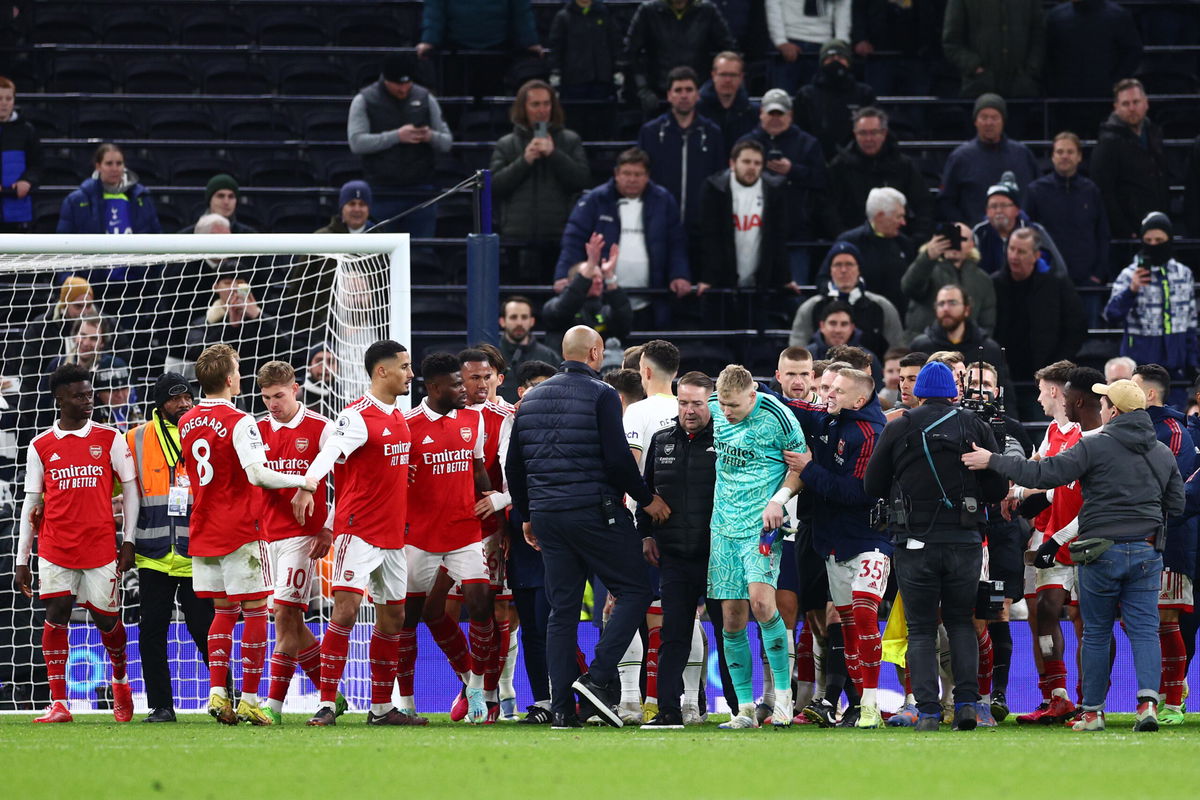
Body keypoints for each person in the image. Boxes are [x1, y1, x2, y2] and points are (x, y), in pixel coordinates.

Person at [964, 379, 1185, 732]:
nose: (1099, 408)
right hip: (1146, 551)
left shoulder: (1094, 445)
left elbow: (1043, 473)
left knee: (1095, 631)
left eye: (1104, 403)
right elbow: (1176, 503)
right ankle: (1147, 705)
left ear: (1114, 410)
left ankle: (1093, 712)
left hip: (1100, 551)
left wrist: (992, 460)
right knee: (1144, 631)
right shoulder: (1160, 451)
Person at [505, 325, 670, 729]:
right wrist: (648, 499)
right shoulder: (602, 395)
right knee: (635, 587)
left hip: (547, 517)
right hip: (594, 512)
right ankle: (596, 679)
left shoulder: (530, 399)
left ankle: (561, 707)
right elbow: (617, 460)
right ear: (596, 353)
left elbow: (514, 466)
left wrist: (528, 514)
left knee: (561, 610)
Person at [865, 361, 1008, 731]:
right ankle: (965, 705)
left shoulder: (898, 426)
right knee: (962, 623)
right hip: (964, 540)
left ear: (920, 391)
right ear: (953, 391)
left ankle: (927, 710)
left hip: (914, 543)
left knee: (922, 628)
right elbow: (996, 489)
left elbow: (872, 485)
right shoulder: (976, 426)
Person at [178, 344, 316, 726]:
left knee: (223, 612)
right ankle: (251, 699)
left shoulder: (186, 422)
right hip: (240, 529)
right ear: (228, 379)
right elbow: (258, 474)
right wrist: (303, 479)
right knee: (255, 610)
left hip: (203, 529)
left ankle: (217, 693)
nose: (240, 377)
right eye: (237, 371)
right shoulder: (241, 421)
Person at [293, 340, 416, 727]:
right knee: (345, 612)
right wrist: (309, 484)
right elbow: (329, 453)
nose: (411, 374)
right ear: (382, 371)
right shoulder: (356, 417)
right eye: (404, 367)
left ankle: (381, 708)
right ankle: (326, 703)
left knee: (393, 617)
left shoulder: (399, 418)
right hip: (358, 531)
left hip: (393, 537)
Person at [14, 363, 139, 723]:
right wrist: (22, 559)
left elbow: (130, 489)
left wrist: (127, 539)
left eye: (89, 394)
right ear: (59, 399)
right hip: (54, 546)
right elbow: (31, 503)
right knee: (56, 615)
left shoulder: (110, 438)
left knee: (106, 619)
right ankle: (59, 703)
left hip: (100, 546)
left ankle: (119, 679)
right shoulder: (41, 445)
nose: (88, 401)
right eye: (80, 396)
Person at [782, 367, 889, 727]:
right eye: (828, 389)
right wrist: (755, 393)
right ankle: (859, 705)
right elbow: (799, 408)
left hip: (870, 541)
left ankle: (871, 704)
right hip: (832, 542)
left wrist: (809, 469)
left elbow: (859, 493)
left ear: (858, 400)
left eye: (837, 392)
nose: (828, 395)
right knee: (846, 626)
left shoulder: (870, 434)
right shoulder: (830, 418)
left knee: (863, 616)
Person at [706, 364, 807, 729]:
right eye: (724, 406)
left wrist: (778, 500)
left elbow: (801, 465)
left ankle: (782, 699)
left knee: (763, 604)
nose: (727, 413)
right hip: (723, 527)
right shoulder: (713, 405)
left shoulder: (778, 415)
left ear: (752, 395)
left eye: (734, 406)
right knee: (732, 617)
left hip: (762, 527)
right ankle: (745, 709)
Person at [398, 354, 496, 724]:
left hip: (465, 532)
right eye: (457, 384)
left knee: (481, 604)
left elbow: (477, 469)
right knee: (410, 619)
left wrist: (493, 519)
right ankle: (405, 702)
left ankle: (478, 689)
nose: (465, 390)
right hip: (418, 538)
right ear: (435, 388)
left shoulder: (474, 419)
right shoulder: (407, 425)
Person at [253, 362, 345, 726]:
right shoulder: (256, 430)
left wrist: (327, 528)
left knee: (284, 616)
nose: (273, 404)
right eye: (266, 398)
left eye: (279, 395)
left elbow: (348, 482)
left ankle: (272, 707)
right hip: (264, 536)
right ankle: (330, 693)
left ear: (295, 389)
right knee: (289, 620)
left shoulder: (321, 428)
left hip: (304, 537)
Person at [125, 373, 215, 723]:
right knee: (152, 632)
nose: (184, 403)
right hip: (153, 551)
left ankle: (227, 698)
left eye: (187, 397)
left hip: (198, 551)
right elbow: (114, 484)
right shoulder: (135, 439)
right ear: (160, 403)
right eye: (176, 398)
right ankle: (161, 705)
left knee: (205, 629)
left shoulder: (205, 430)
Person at [639, 371, 719, 728]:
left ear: (710, 402)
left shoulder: (726, 440)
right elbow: (645, 491)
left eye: (697, 403)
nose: (689, 410)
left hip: (718, 554)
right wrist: (646, 535)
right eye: (683, 402)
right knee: (673, 634)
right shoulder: (661, 440)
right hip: (673, 554)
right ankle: (668, 710)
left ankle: (739, 708)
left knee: (729, 631)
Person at [1131, 364, 1199, 726]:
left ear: (1150, 394)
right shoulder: (1128, 427)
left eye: (1133, 385)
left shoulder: (1173, 431)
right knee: (1139, 621)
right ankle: (1163, 692)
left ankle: (1171, 699)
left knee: (1167, 619)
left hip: (1169, 542)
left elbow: (1174, 489)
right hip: (1135, 539)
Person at [554, 148, 692, 325]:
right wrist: (563, 274)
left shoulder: (663, 201)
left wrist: (680, 274)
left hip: (652, 298)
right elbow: (574, 239)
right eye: (627, 173)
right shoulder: (595, 200)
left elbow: (676, 243)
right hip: (603, 300)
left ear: (647, 176)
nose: (632, 179)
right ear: (616, 174)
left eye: (638, 174)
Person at [491, 79, 591, 284]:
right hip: (517, 236)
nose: (542, 110)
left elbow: (581, 180)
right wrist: (524, 161)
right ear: (523, 107)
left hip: (558, 235)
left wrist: (554, 154)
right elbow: (495, 186)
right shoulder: (506, 144)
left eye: (546, 104)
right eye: (535, 104)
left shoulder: (570, 140)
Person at [347, 53, 452, 237]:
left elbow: (446, 142)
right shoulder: (365, 99)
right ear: (386, 80)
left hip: (421, 190)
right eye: (398, 84)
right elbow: (357, 142)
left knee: (421, 253)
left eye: (407, 83)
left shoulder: (425, 98)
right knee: (380, 257)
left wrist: (429, 135)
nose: (403, 89)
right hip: (382, 190)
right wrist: (397, 136)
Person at [738, 89, 829, 285]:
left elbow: (822, 180)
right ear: (761, 113)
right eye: (771, 113)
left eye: (781, 114)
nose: (775, 119)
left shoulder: (808, 144)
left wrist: (793, 171)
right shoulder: (745, 144)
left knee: (795, 294)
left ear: (791, 115)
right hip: (753, 236)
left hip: (796, 236)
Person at [1103, 212, 1198, 393]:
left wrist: (1192, 362)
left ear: (1169, 239)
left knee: (1173, 419)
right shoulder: (1129, 274)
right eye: (1148, 240)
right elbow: (1111, 315)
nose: (1153, 245)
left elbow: (1191, 321)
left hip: (1175, 367)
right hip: (1140, 368)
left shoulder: (1184, 274)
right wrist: (1131, 290)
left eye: (1159, 240)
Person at [637, 66, 725, 236]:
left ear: (697, 95)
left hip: (702, 228)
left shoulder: (712, 132)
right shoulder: (650, 132)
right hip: (660, 224)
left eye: (689, 90)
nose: (684, 95)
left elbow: (719, 178)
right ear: (669, 95)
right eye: (678, 90)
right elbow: (642, 175)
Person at [991, 228, 1085, 387]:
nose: (1014, 256)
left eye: (1021, 251)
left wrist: (1055, 367)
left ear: (1036, 255)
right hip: (1002, 375)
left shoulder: (1057, 284)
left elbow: (1077, 327)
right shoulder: (994, 284)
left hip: (1045, 376)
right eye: (1011, 249)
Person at [697, 139, 791, 294]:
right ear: (732, 163)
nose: (752, 168)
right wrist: (708, 278)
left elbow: (778, 237)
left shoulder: (774, 190)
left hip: (760, 280)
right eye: (746, 162)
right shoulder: (714, 189)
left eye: (757, 163)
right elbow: (709, 238)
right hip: (722, 280)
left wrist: (785, 278)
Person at [1024, 132, 1111, 294]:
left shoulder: (1091, 191)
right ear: (1052, 157)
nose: (1065, 156)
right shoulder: (1036, 191)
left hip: (1087, 283)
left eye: (1070, 152)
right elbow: (1028, 235)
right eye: (1060, 152)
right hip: (1047, 282)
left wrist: (1097, 275)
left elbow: (1102, 235)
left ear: (1079, 157)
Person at [828, 106, 932, 240]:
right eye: (863, 133)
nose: (869, 139)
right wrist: (844, 237)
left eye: (874, 132)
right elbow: (828, 208)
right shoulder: (839, 166)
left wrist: (917, 239)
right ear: (855, 133)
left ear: (884, 133)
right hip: (854, 243)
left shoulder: (902, 165)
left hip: (897, 241)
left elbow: (923, 203)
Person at [621, 0, 736, 117]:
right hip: (658, 96)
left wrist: (709, 88)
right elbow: (631, 54)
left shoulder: (707, 10)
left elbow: (728, 51)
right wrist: (643, 89)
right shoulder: (648, 11)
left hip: (699, 94)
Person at [790, 241, 904, 358]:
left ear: (859, 269)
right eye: (838, 265)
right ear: (830, 270)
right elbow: (797, 353)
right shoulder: (811, 307)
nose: (843, 270)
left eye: (849, 264)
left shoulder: (881, 306)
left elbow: (896, 351)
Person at [939, 94, 1038, 226]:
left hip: (1019, 236)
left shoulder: (1022, 154)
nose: (989, 123)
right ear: (975, 121)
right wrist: (965, 228)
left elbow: (1037, 196)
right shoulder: (960, 157)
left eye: (994, 117)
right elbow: (946, 201)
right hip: (975, 237)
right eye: (984, 117)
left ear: (1003, 120)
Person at [1092, 78, 1171, 241]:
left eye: (1136, 102)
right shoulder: (1108, 142)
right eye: (1126, 104)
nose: (1132, 108)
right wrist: (1124, 230)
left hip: (1155, 225)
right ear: (1116, 107)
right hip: (1129, 232)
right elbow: (1104, 191)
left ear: (1146, 103)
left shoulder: (1153, 133)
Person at [1043, 0, 1141, 125]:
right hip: (1066, 101)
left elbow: (1133, 52)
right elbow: (1047, 55)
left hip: (1105, 101)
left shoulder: (1117, 15)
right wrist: (1055, 86)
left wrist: (1114, 84)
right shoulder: (1056, 17)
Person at [909, 285, 1010, 393]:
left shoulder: (989, 349)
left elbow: (1006, 394)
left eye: (952, 303)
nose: (946, 309)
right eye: (941, 304)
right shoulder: (921, 346)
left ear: (967, 309)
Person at [901, 223, 995, 339]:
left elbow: (987, 323)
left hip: (965, 349)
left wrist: (978, 347)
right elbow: (909, 288)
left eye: (962, 239)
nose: (955, 243)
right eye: (949, 238)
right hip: (925, 347)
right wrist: (927, 257)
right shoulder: (927, 268)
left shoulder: (983, 279)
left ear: (971, 245)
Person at [830, 187, 913, 314]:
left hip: (898, 320)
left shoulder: (904, 243)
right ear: (880, 216)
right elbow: (825, 278)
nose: (903, 222)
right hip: (859, 319)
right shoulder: (849, 242)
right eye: (899, 216)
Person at [540, 233, 633, 345]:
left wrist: (609, 276)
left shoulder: (605, 311)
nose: (599, 281)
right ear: (575, 281)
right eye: (592, 277)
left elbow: (624, 324)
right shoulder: (552, 306)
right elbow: (563, 311)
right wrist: (591, 264)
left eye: (600, 277)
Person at [942, 0, 1045, 98]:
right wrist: (974, 66)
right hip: (979, 92)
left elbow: (1040, 37)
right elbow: (951, 43)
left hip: (1022, 89)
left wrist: (1030, 69)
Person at [794, 39, 877, 160]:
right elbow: (800, 132)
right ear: (822, 62)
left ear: (849, 61)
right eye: (830, 58)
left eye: (840, 57)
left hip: (856, 161)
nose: (836, 61)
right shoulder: (806, 94)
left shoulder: (864, 93)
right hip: (816, 160)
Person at [971, 174, 1068, 278]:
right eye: (993, 206)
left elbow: (1058, 270)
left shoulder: (1035, 231)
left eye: (1004, 205)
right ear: (987, 211)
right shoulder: (978, 233)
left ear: (1017, 210)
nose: (998, 211)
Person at [56, 143, 161, 235]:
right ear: (98, 166)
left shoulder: (142, 197)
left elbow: (156, 236)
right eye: (109, 163)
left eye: (119, 163)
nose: (114, 169)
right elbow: (64, 240)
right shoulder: (76, 200)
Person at [765, 0, 851, 94]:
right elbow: (773, 3)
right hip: (789, 41)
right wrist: (780, 41)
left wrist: (840, 45)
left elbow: (843, 5)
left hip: (824, 44)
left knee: (823, 99)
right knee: (783, 97)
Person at [547, 0, 622, 102]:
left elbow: (615, 43)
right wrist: (555, 72)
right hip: (573, 81)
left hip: (602, 79)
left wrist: (617, 69)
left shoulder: (605, 14)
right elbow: (556, 47)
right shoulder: (563, 17)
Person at [496, 296, 561, 404]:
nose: (519, 323)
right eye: (513, 317)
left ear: (532, 321)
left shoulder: (550, 356)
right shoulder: (492, 357)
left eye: (524, 317)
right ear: (502, 321)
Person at [0, 76, 40, 232]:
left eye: (8, 98)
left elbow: (37, 164)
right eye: (0, 98)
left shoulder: (27, 131)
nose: (4, 103)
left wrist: (27, 181)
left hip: (18, 211)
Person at [696, 51, 759, 148]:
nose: (728, 80)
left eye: (733, 75)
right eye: (723, 74)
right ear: (713, 75)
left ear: (741, 77)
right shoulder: (696, 110)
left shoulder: (752, 112)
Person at [178, 174, 257, 234]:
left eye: (231, 196)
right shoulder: (187, 235)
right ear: (210, 200)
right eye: (220, 196)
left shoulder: (249, 235)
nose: (226, 202)